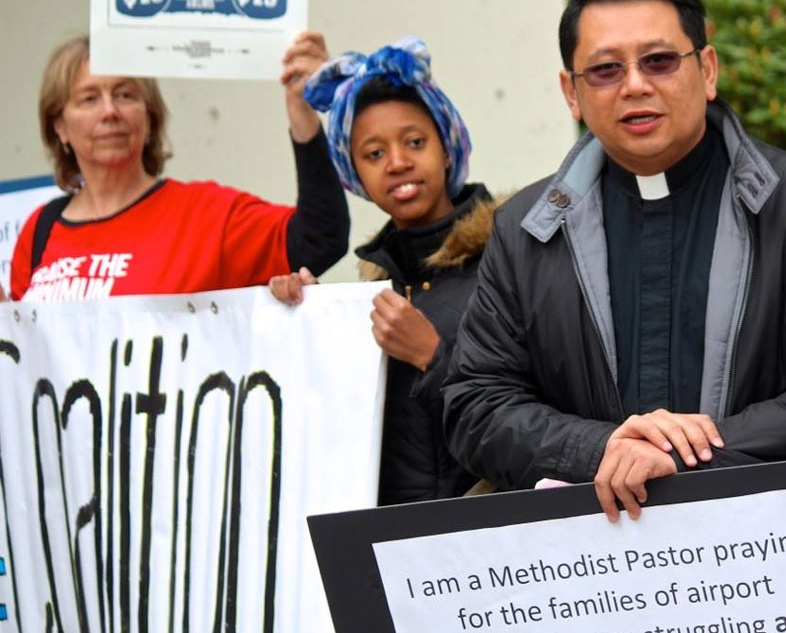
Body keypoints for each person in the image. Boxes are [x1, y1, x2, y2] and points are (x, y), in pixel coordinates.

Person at [443, 0, 786, 522]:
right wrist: (600, 450)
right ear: (572, 92)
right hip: (591, 563)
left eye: (659, 61)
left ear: (707, 70)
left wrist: (683, 457)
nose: (635, 85)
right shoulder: (527, 229)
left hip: (770, 542)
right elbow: (476, 404)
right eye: (606, 69)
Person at [269, 35, 491, 503]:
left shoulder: (509, 257)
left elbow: (533, 414)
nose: (397, 163)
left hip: (484, 550)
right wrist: (304, 317)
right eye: (373, 154)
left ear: (447, 147)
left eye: (414, 142)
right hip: (392, 548)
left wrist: (433, 356)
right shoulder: (373, 288)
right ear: (355, 176)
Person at [6, 34, 349, 302]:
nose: (110, 112)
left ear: (149, 116)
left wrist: (302, 112)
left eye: (125, 94)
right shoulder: (39, 230)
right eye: (89, 98)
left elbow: (320, 238)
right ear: (59, 127)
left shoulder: (205, 215)